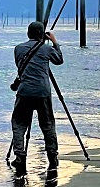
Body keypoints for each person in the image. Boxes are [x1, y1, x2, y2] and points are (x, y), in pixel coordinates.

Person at [11, 21, 64, 174]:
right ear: (42, 35)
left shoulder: (18, 49)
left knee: (19, 123)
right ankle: (52, 156)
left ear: (28, 34)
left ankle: (20, 154)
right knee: (47, 124)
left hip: (25, 92)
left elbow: (20, 67)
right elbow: (59, 60)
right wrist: (54, 42)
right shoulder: (47, 49)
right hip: (43, 92)